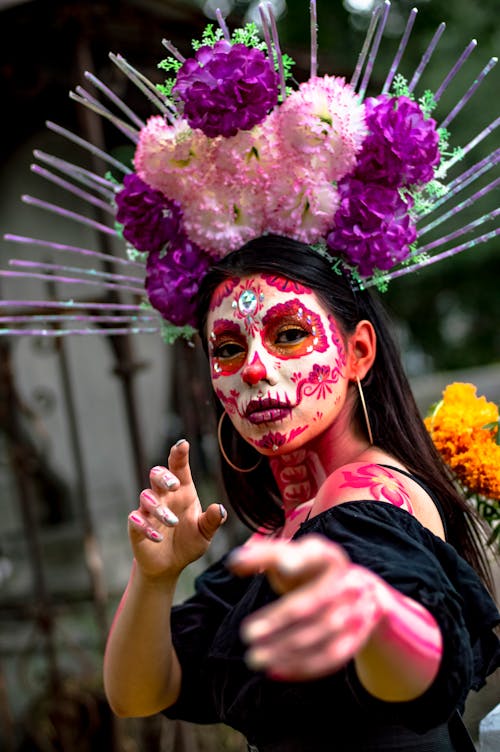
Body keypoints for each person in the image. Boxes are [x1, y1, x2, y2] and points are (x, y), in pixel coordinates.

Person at [103, 235, 500, 752]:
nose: (253, 369)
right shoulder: (279, 530)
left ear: (359, 351)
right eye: (227, 348)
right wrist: (155, 579)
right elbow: (138, 694)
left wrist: (378, 614)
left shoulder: (363, 494)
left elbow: (421, 673)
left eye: (288, 335)